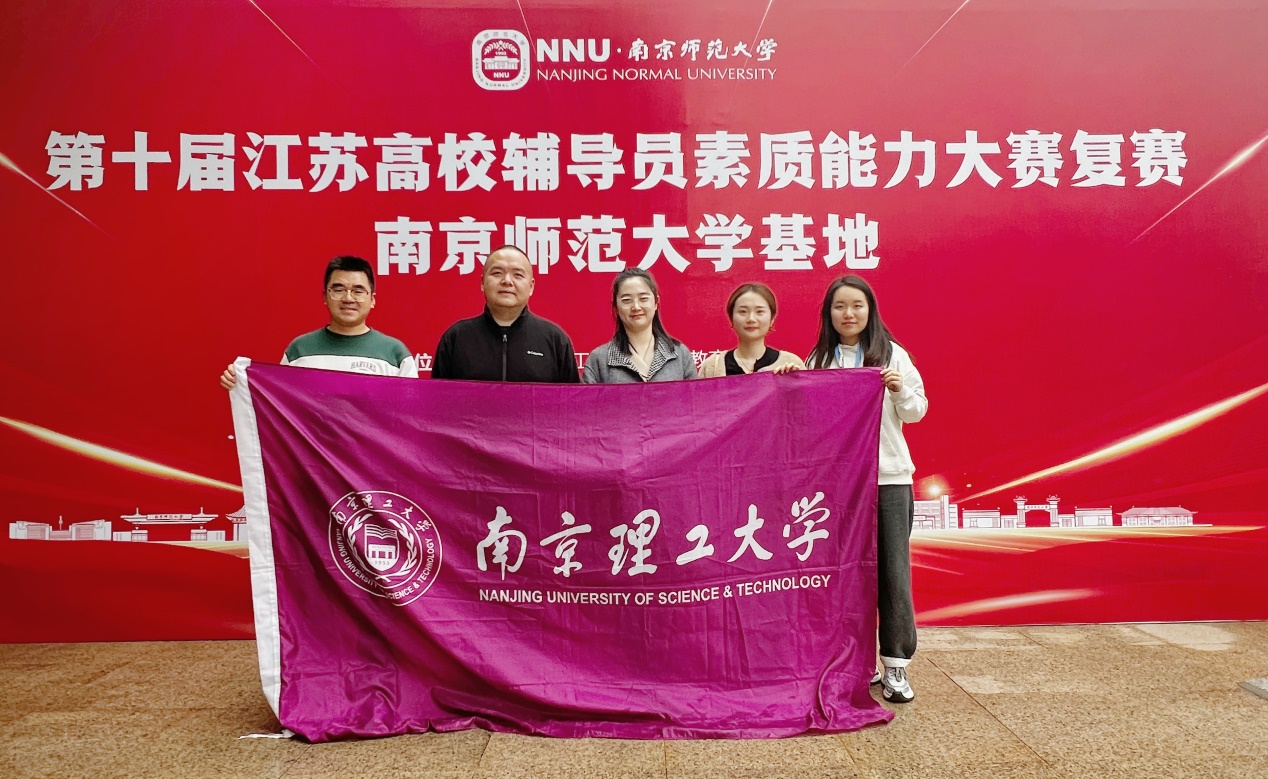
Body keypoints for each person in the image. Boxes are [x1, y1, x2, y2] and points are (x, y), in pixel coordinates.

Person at [806, 275, 927, 704]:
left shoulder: (892, 354)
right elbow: (810, 419)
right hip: (841, 487)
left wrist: (899, 389)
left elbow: (917, 411)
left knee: (893, 574)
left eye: (857, 305)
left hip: (889, 481)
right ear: (829, 313)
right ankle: (857, 660)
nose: (849, 313)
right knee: (846, 575)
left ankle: (895, 664)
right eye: (840, 306)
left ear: (870, 310)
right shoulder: (819, 359)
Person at [220, 256, 416, 390]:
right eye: (338, 290)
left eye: (358, 291)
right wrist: (241, 383)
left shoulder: (395, 354)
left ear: (372, 299)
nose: (348, 298)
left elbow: (410, 415)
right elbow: (279, 404)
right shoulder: (300, 350)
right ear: (325, 297)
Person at [431, 245, 579, 383]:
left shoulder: (554, 340)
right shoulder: (457, 338)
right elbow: (437, 398)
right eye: (497, 273)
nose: (507, 281)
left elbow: (572, 400)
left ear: (531, 286)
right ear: (482, 282)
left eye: (518, 275)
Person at [582, 268, 698, 384]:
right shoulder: (599, 360)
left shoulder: (679, 354)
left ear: (656, 302)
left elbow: (696, 395)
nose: (636, 307)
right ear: (616, 307)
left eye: (643, 299)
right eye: (627, 300)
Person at [698, 283, 804, 377]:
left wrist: (793, 381)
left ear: (771, 319)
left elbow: (806, 394)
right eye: (743, 311)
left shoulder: (791, 362)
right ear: (731, 317)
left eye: (759, 311)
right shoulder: (712, 366)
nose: (751, 319)